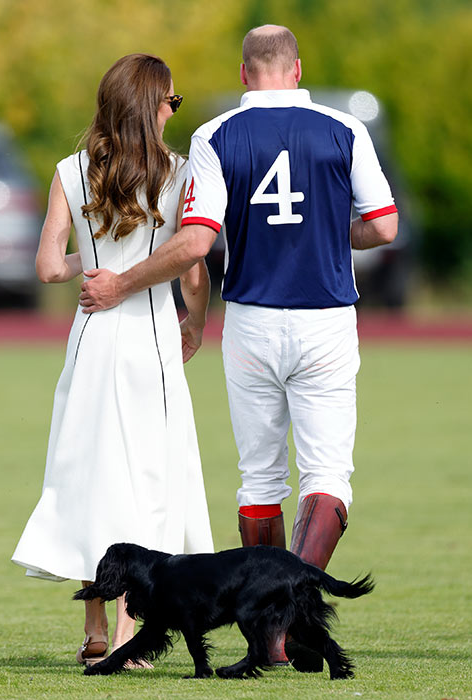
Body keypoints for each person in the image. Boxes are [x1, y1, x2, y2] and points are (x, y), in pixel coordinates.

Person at [77, 26, 398, 665]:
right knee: (328, 474)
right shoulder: (345, 128)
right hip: (328, 319)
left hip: (250, 320)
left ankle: (278, 632)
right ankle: (290, 622)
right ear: (297, 69)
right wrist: (334, 236)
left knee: (259, 476)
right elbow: (384, 225)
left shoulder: (215, 135)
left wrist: (122, 283)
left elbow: (196, 243)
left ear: (245, 73)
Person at [11, 53, 213, 668]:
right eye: (171, 101)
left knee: (87, 475)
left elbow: (48, 267)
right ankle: (129, 635)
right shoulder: (178, 172)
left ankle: (95, 627)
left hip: (90, 339)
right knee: (147, 483)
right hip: (149, 338)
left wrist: (92, 259)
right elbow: (192, 262)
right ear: (151, 105)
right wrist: (197, 323)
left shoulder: (70, 170)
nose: (173, 111)